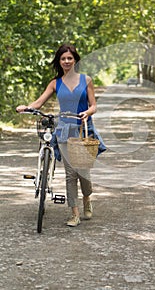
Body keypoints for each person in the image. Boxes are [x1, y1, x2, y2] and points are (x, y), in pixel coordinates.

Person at [16, 44, 106, 227]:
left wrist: (88, 112)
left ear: (75, 60)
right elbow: (39, 102)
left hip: (82, 130)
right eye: (63, 58)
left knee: (83, 173)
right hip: (64, 130)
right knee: (70, 174)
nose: (66, 61)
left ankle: (87, 198)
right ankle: (74, 213)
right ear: (59, 61)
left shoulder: (86, 80)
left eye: (69, 58)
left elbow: (94, 105)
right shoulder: (55, 83)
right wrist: (27, 107)